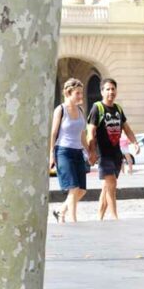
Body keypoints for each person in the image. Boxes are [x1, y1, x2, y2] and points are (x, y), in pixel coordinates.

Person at [86, 78, 139, 220]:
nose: (111, 92)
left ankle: (99, 217)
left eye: (113, 89)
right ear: (102, 91)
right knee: (112, 185)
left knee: (107, 187)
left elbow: (126, 128)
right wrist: (91, 151)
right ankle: (115, 216)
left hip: (116, 154)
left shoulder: (118, 109)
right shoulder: (97, 108)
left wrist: (135, 142)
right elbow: (90, 131)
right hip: (103, 154)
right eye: (107, 89)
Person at [49, 78, 87, 223]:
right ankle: (73, 220)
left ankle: (60, 211)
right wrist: (51, 154)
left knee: (81, 190)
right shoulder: (61, 109)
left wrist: (89, 150)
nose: (80, 96)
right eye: (77, 93)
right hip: (63, 151)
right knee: (73, 188)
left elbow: (82, 133)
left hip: (78, 152)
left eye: (81, 93)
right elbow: (53, 133)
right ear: (68, 93)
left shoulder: (80, 110)